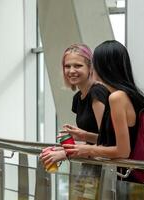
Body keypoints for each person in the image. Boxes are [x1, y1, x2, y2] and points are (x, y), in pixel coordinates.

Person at [62, 40, 144, 199]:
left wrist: (85, 149)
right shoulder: (127, 95)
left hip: (121, 183)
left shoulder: (116, 98)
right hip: (128, 182)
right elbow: (115, 141)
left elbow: (123, 150)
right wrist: (84, 138)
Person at [40, 43, 110, 199]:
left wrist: (68, 151)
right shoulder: (78, 98)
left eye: (77, 65)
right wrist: (63, 149)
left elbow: (108, 141)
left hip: (104, 168)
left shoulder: (97, 93)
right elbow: (94, 141)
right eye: (67, 66)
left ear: (90, 67)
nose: (71, 71)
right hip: (90, 164)